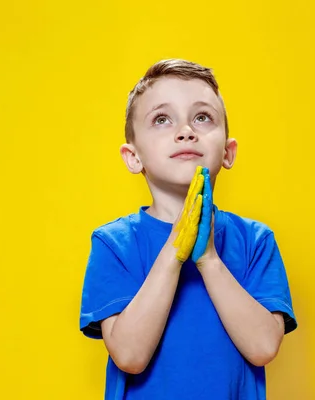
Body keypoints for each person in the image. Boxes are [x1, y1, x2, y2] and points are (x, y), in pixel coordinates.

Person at [79, 58, 297, 400]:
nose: (185, 131)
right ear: (133, 157)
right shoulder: (114, 243)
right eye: (162, 119)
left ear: (227, 151)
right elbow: (130, 356)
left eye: (202, 117)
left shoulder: (256, 240)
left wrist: (208, 258)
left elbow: (264, 347)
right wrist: (173, 251)